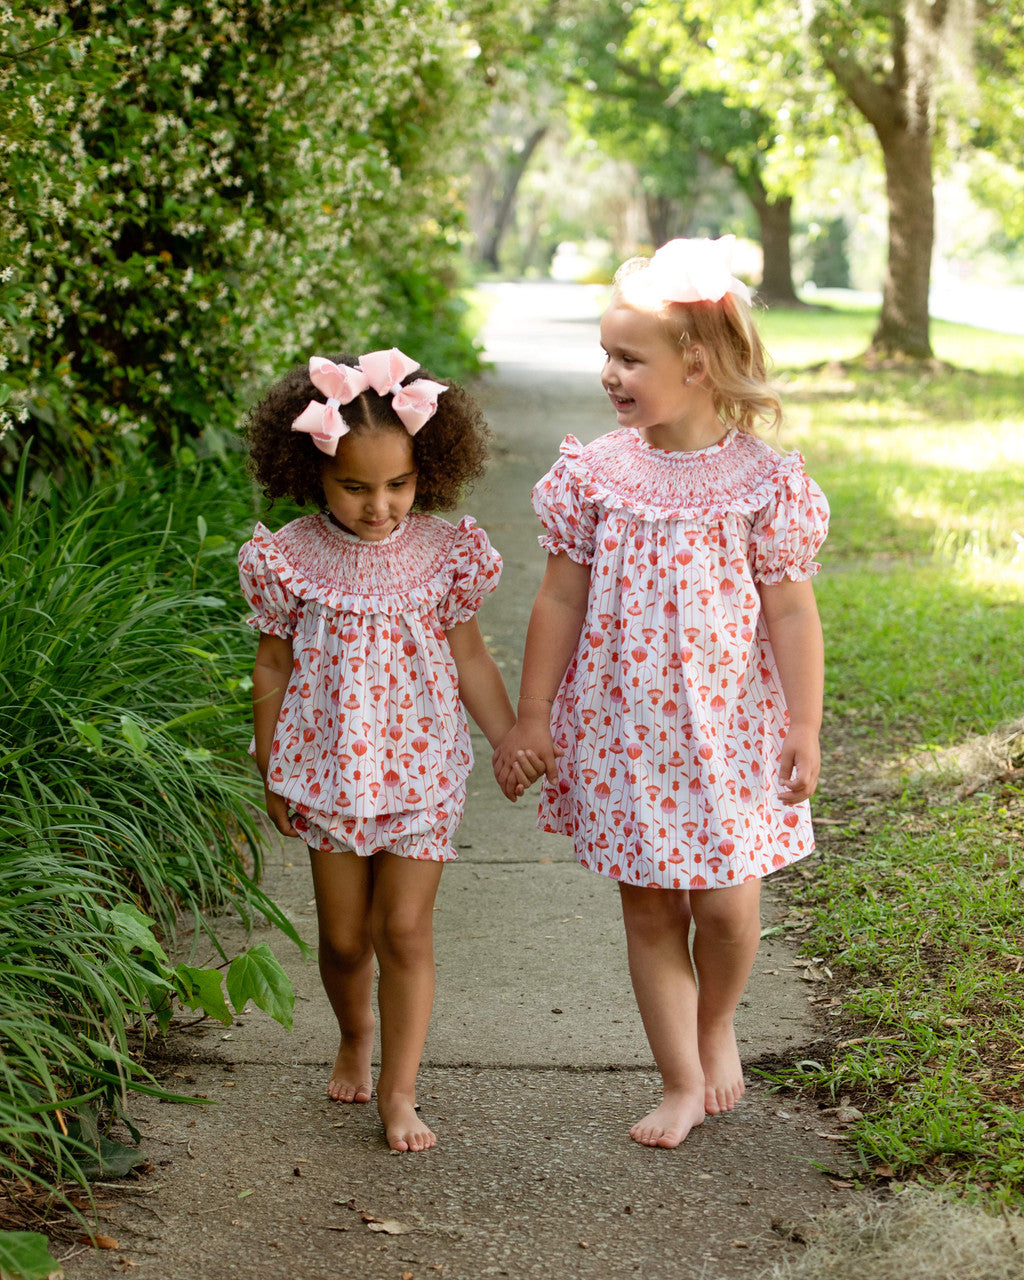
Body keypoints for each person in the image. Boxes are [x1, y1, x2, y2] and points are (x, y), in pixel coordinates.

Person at [494, 237, 829, 1148]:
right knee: (651, 907)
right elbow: (559, 597)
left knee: (726, 906)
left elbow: (792, 614)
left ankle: (715, 1019)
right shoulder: (597, 476)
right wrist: (533, 713)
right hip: (621, 730)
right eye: (606, 355)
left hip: (728, 731)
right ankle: (680, 1078)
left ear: (697, 360)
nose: (609, 374)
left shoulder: (765, 484)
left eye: (627, 358)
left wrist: (804, 722)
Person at [239, 349, 537, 1153]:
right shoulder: (289, 559)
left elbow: (469, 655)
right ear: (313, 473)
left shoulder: (444, 555)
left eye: (398, 485)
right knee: (344, 940)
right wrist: (269, 763)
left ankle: (400, 1094)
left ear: (426, 470)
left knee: (401, 931)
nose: (380, 508)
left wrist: (509, 732)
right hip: (326, 770)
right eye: (355, 487)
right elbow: (272, 663)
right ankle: (354, 1033)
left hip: (422, 768)